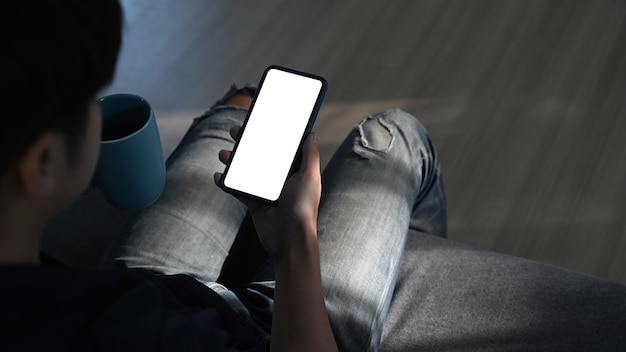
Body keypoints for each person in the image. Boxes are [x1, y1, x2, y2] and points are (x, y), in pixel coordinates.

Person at [3, 1, 626, 352]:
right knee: (393, 138)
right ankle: (397, 284)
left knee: (243, 107)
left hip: (146, 290)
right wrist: (297, 239)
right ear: (43, 165)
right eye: (90, 97)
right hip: (272, 329)